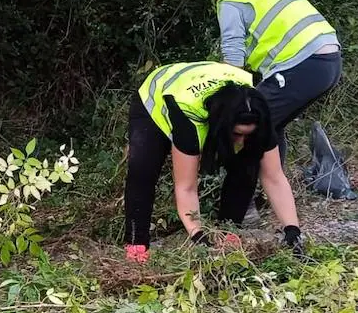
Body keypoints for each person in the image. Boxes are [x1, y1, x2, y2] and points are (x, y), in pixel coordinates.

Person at [123, 61, 306, 262]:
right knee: (143, 171)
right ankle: (136, 248)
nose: (241, 141)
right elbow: (186, 187)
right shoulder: (189, 122)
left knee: (248, 163)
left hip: (209, 82)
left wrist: (292, 230)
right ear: (222, 126)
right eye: (237, 134)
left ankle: (228, 234)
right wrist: (198, 234)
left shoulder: (257, 113)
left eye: (247, 135)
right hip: (158, 95)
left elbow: (275, 178)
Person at [208, 0, 342, 166]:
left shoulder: (230, 0)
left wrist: (226, 100)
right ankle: (273, 190)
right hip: (330, 58)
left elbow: (233, 59)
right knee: (270, 122)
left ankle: (241, 196)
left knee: (244, 122)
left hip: (301, 63)